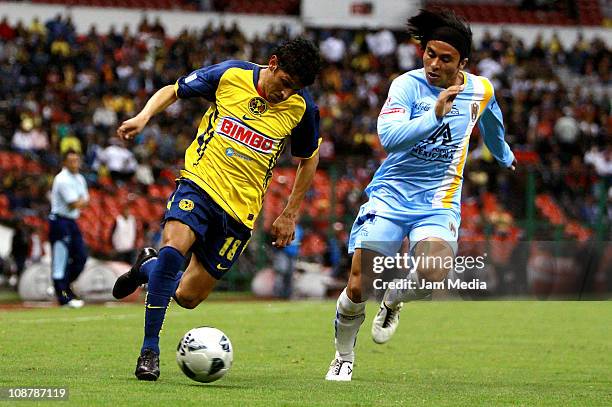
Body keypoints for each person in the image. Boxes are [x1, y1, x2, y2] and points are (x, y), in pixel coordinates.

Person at [112, 37, 322, 381]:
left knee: (188, 296)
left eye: (294, 88)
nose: (286, 93)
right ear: (272, 64)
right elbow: (174, 89)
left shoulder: (302, 109)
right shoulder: (231, 74)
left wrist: (290, 212)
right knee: (173, 251)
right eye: (284, 83)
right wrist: (144, 116)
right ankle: (149, 350)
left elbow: (309, 159)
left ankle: (146, 268)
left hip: (240, 213)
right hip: (199, 183)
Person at [325, 9, 516, 381]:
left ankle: (395, 298)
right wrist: (434, 115)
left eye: (445, 59)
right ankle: (343, 356)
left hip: (438, 200)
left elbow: (491, 121)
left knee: (433, 271)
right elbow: (390, 139)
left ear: (463, 62)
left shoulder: (480, 88)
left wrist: (504, 154)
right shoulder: (406, 86)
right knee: (358, 284)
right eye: (429, 53)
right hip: (391, 196)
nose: (434, 64)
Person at [49, 150, 89, 308]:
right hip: (60, 221)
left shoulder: (79, 178)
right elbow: (75, 203)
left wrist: (80, 201)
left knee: (81, 257)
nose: (75, 164)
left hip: (72, 221)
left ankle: (65, 286)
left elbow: (86, 200)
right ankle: (63, 296)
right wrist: (80, 201)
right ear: (64, 163)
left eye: (76, 160)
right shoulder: (62, 179)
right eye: (71, 161)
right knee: (60, 259)